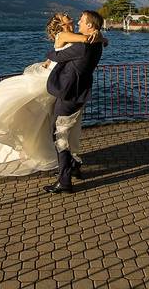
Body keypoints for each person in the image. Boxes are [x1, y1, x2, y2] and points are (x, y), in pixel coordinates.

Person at [0, 13, 105, 186]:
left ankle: (68, 170)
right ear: (60, 23)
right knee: (45, 123)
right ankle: (68, 166)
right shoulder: (67, 35)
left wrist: (50, 58)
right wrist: (99, 36)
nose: (70, 16)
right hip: (54, 81)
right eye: (64, 16)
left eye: (80, 19)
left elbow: (67, 50)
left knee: (49, 126)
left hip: (61, 82)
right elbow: (80, 43)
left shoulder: (77, 38)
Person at [43, 10, 105, 194]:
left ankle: (64, 180)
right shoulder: (96, 43)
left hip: (69, 94)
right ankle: (74, 165)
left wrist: (50, 54)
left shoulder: (82, 46)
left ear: (90, 26)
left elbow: (56, 56)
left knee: (59, 135)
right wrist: (100, 35)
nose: (78, 21)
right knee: (65, 133)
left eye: (82, 20)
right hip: (80, 92)